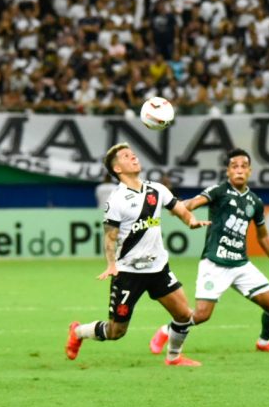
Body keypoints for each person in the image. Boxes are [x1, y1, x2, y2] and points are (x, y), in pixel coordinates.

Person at [66, 143, 210, 366]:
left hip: (158, 268)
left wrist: (191, 221)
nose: (133, 157)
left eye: (133, 154)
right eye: (126, 156)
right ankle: (78, 332)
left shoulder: (157, 189)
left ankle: (174, 357)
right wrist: (111, 264)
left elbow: (180, 209)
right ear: (117, 169)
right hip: (128, 272)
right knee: (116, 331)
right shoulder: (116, 199)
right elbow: (110, 237)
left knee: (184, 315)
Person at [149, 148, 269, 355]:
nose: (239, 170)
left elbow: (263, 236)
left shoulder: (255, 202)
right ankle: (166, 330)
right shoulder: (218, 191)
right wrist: (180, 208)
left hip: (241, 264)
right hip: (215, 263)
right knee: (201, 315)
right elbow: (193, 202)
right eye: (234, 166)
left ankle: (264, 342)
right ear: (227, 171)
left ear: (250, 171)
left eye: (244, 166)